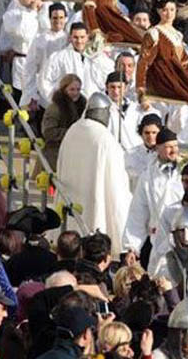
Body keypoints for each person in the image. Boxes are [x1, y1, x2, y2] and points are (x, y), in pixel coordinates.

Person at [57, 92, 132, 257]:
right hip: (94, 204)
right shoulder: (105, 139)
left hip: (71, 205)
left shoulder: (72, 130)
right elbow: (116, 186)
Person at [136, 0, 188, 145]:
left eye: (171, 9)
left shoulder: (177, 35)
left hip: (177, 83)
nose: (168, 13)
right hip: (161, 83)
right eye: (164, 10)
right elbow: (143, 62)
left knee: (182, 117)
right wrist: (141, 89)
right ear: (158, 11)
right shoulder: (154, 33)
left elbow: (185, 65)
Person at [122, 128, 185, 272]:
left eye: (175, 146)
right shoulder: (148, 176)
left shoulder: (185, 172)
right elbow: (138, 212)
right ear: (158, 148)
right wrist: (132, 247)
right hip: (158, 241)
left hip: (184, 239)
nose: (173, 151)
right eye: (168, 147)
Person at [39, 22, 114, 105]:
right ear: (70, 37)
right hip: (68, 106)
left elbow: (106, 79)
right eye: (75, 37)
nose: (79, 41)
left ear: (87, 37)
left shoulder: (97, 57)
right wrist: (57, 100)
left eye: (82, 37)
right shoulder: (59, 57)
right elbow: (44, 80)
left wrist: (97, 57)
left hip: (91, 106)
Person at [20, 2, 68, 115]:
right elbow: (30, 67)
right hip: (44, 89)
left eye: (61, 17)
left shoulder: (69, 39)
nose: (58, 21)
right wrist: (31, 93)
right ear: (50, 18)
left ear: (65, 18)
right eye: (54, 17)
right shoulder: (40, 39)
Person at [0, 0, 40, 103]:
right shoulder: (11, 15)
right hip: (22, 60)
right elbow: (24, 35)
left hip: (39, 61)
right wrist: (32, 12)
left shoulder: (38, 12)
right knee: (22, 95)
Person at [41, 73, 87, 170]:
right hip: (56, 153)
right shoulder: (55, 108)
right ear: (64, 89)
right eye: (72, 89)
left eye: (78, 89)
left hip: (77, 154)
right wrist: (72, 132)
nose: (76, 93)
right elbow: (48, 132)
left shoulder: (83, 107)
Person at [105, 71, 154, 151]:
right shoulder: (101, 108)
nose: (116, 91)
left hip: (136, 155)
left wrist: (148, 109)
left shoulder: (135, 108)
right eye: (112, 87)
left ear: (126, 88)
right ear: (107, 87)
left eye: (119, 87)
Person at [124, 113, 162, 191]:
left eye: (154, 133)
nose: (150, 136)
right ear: (141, 133)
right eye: (147, 133)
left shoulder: (167, 154)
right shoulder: (130, 155)